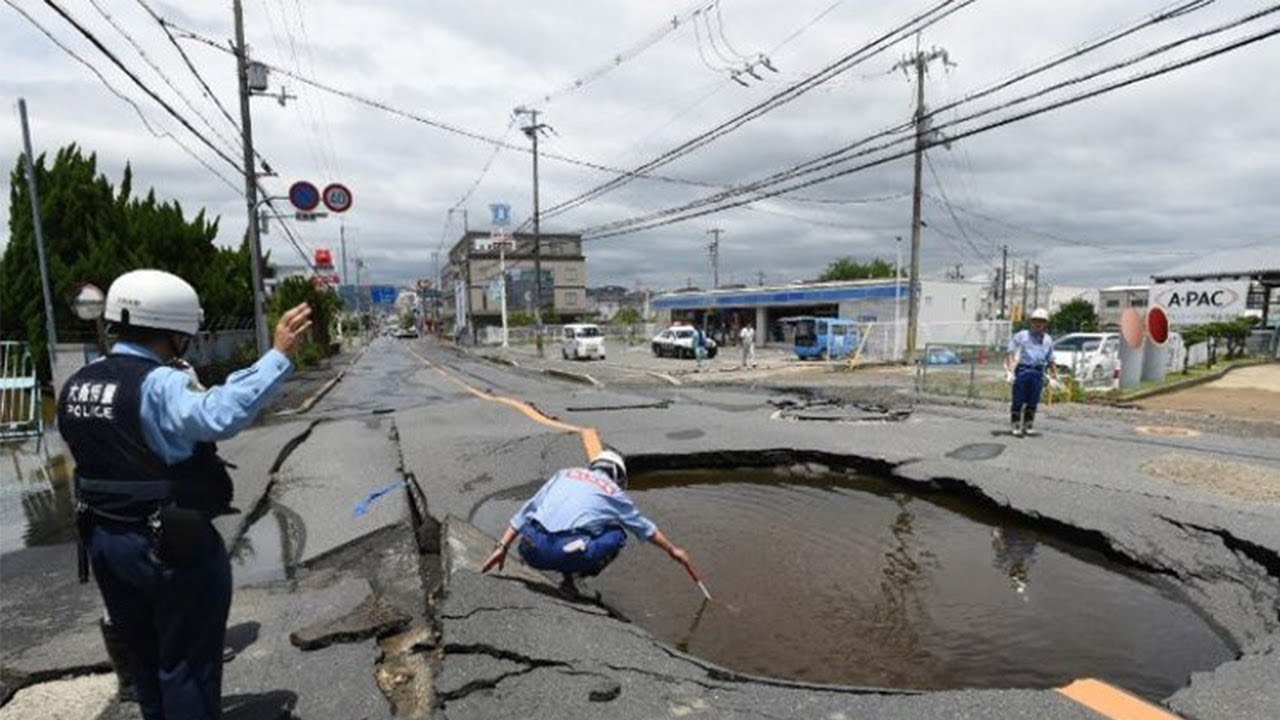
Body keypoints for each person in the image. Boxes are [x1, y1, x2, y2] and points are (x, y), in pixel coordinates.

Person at [58, 269, 312, 720]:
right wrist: (276, 357)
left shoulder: (80, 382)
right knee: (188, 666)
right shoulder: (160, 383)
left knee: (146, 660)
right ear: (176, 333)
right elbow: (218, 414)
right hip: (168, 545)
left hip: (103, 540)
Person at [481, 450, 697, 594]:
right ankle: (574, 573)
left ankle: (567, 567)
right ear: (619, 476)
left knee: (566, 523)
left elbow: (527, 510)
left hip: (529, 547)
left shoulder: (564, 473)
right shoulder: (614, 492)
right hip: (560, 552)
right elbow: (645, 529)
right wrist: (673, 550)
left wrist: (502, 547)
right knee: (617, 533)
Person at [1004, 307, 1060, 437]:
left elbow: (1051, 358)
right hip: (1023, 370)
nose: (1038, 324)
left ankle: (1028, 425)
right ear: (1031, 322)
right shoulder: (1022, 335)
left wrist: (1054, 375)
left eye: (1041, 321)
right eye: (1035, 321)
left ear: (1045, 323)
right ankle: (1016, 425)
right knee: (1018, 399)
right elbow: (1010, 352)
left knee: (1033, 400)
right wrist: (1009, 371)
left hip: (1038, 372)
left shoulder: (1047, 339)